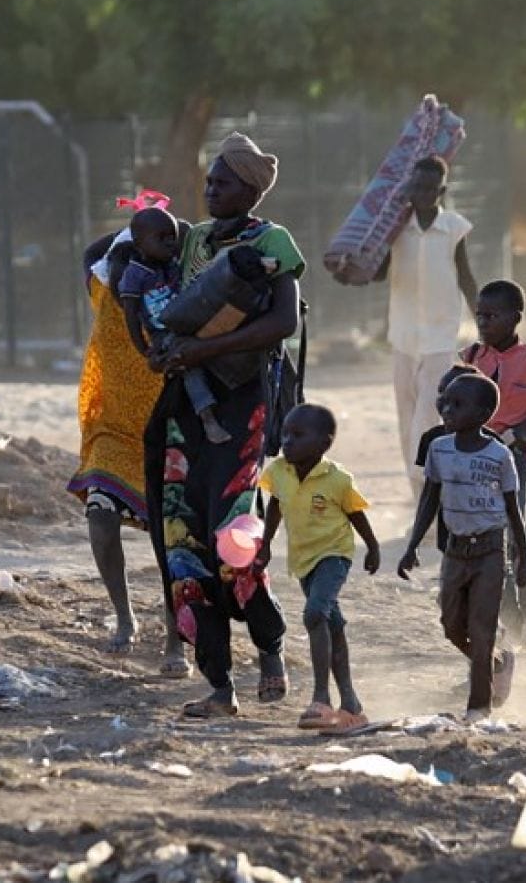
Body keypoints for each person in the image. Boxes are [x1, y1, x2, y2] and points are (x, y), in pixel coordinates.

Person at [145, 131, 305, 718]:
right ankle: (218, 684)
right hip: (187, 409)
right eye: (209, 181)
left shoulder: (272, 241)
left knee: (234, 538)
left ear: (251, 189)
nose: (211, 189)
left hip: (243, 404)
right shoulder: (192, 243)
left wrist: (203, 353)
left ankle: (270, 647)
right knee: (182, 542)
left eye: (223, 182)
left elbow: (283, 322)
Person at [68, 208, 188, 673]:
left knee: (170, 540)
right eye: (120, 266)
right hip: (112, 430)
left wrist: (154, 230)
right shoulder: (101, 288)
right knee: (100, 515)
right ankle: (124, 617)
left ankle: (176, 639)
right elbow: (91, 252)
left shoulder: (170, 297)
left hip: (166, 427)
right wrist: (132, 225)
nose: (123, 278)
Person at [397, 373, 526, 722]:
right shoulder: (439, 449)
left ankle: (478, 708)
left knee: (481, 628)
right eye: (444, 402)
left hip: (490, 551)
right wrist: (412, 545)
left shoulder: (499, 455)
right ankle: (494, 662)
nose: (446, 409)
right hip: (455, 551)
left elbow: (513, 510)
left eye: (457, 404)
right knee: (451, 624)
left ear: (484, 413)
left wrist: (523, 561)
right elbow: (429, 499)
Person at [257, 404, 379, 733]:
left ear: (324, 444)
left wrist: (373, 546)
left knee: (314, 614)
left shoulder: (338, 479)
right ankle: (351, 705)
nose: (287, 441)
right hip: (303, 560)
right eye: (285, 434)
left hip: (334, 554)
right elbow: (276, 506)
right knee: (332, 624)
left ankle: (320, 698)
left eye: (298, 435)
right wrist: (266, 544)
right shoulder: (279, 471)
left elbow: (356, 514)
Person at [460, 279, 526, 650]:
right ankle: (508, 616)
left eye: (492, 316)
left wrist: (523, 429)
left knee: (513, 531)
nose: (484, 322)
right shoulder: (472, 358)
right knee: (487, 536)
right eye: (479, 315)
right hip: (474, 457)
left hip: (514, 458)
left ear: (515, 318)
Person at [387, 155, 479, 497]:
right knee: (406, 414)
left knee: (429, 413)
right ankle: (417, 491)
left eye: (430, 189)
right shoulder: (396, 228)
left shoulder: (454, 228)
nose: (422, 194)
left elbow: (466, 277)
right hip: (402, 335)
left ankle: (429, 487)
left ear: (441, 190)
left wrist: (483, 323)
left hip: (441, 336)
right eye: (417, 188)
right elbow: (378, 271)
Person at [118, 207, 232, 445]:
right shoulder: (134, 274)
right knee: (188, 365)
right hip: (164, 335)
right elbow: (130, 315)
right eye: (162, 237)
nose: (170, 243)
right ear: (139, 242)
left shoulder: (173, 265)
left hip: (189, 323)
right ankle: (208, 417)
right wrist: (144, 348)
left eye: (173, 236)